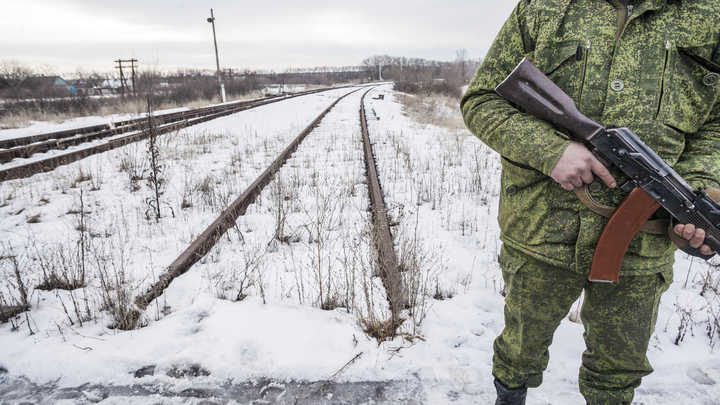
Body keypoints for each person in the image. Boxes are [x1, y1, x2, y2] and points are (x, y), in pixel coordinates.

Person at [460, 0, 720, 404]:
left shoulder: (711, 14)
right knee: (518, 352)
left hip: (642, 248)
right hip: (540, 232)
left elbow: (716, 125)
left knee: (618, 372)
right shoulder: (544, 7)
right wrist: (552, 151)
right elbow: (482, 100)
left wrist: (701, 189)